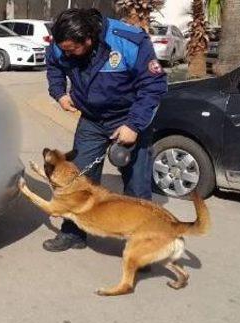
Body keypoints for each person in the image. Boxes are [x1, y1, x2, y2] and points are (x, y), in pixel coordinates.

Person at [43, 8, 168, 251]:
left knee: (137, 187)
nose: (66, 53)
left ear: (88, 38)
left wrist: (133, 125)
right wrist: (59, 93)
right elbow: (54, 66)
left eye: (71, 50)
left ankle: (143, 244)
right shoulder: (62, 42)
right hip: (91, 119)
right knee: (76, 180)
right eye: (64, 49)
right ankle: (74, 234)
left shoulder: (128, 41)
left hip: (131, 117)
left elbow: (153, 86)